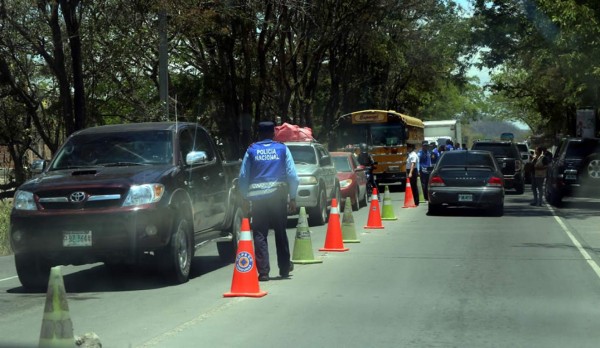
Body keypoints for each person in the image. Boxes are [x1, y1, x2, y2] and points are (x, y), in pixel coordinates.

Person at [238, 121, 300, 281]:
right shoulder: (282, 149)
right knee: (280, 232)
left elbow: (243, 177)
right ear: (273, 133)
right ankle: (285, 268)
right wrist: (292, 197)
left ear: (258, 134)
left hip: (258, 200)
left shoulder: (251, 150)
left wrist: (244, 197)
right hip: (278, 199)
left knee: (259, 234)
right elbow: (292, 175)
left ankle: (263, 272)